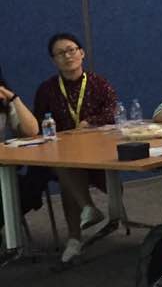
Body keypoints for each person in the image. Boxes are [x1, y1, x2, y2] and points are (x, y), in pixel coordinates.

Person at [33, 32, 118, 264]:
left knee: (67, 173)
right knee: (64, 164)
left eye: (71, 50)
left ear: (82, 53)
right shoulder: (47, 89)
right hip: (61, 153)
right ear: (54, 60)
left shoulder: (98, 83)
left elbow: (112, 111)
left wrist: (89, 122)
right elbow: (38, 123)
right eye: (60, 53)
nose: (67, 56)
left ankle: (78, 232)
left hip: (98, 149)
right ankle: (83, 217)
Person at [0, 68, 44, 239]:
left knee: (34, 184)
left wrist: (12, 98)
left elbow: (32, 131)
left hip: (3, 170)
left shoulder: (3, 101)